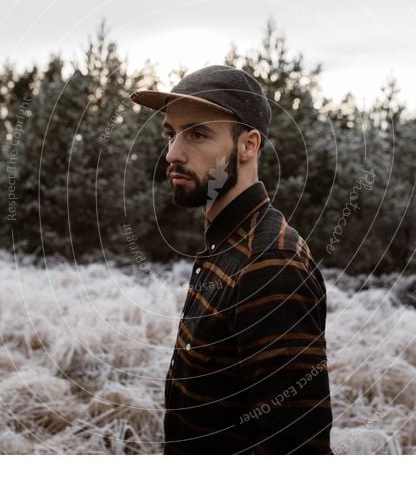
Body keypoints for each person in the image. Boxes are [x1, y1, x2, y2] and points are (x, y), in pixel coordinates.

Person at [130, 65, 333, 454]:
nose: (172, 153)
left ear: (248, 145)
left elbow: (297, 451)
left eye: (198, 133)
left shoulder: (271, 263)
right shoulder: (225, 245)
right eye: (170, 134)